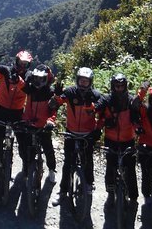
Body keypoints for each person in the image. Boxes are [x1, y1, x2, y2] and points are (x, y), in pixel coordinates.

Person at [49, 66, 102, 207]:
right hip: (71, 132)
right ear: (77, 80)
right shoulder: (70, 92)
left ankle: (89, 184)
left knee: (88, 161)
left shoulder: (95, 95)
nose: (83, 83)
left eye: (86, 81)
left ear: (90, 82)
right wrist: (57, 96)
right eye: (81, 81)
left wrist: (98, 129)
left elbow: (103, 113)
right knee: (68, 163)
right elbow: (54, 105)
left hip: (88, 134)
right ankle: (62, 191)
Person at [97, 73, 140, 208]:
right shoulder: (107, 100)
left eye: (122, 86)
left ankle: (133, 198)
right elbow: (99, 110)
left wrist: (139, 129)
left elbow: (136, 118)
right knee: (110, 168)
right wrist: (92, 110)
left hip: (128, 140)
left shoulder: (131, 100)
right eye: (117, 86)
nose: (119, 88)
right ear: (112, 86)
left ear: (125, 86)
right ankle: (110, 194)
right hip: (111, 140)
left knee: (131, 170)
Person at [0, 50, 32, 166]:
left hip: (17, 111)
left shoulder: (29, 76)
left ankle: (26, 165)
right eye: (20, 63)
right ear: (16, 61)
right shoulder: (6, 71)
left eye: (25, 64)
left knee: (22, 140)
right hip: (1, 108)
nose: (22, 66)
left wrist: (19, 82)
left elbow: (29, 90)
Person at [22, 63, 57, 183]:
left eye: (40, 78)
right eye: (36, 78)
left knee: (48, 150)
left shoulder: (50, 92)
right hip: (31, 125)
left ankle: (52, 170)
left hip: (44, 126)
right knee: (28, 151)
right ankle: (27, 172)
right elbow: (28, 108)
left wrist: (50, 122)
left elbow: (53, 111)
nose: (37, 81)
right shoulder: (31, 90)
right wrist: (25, 121)